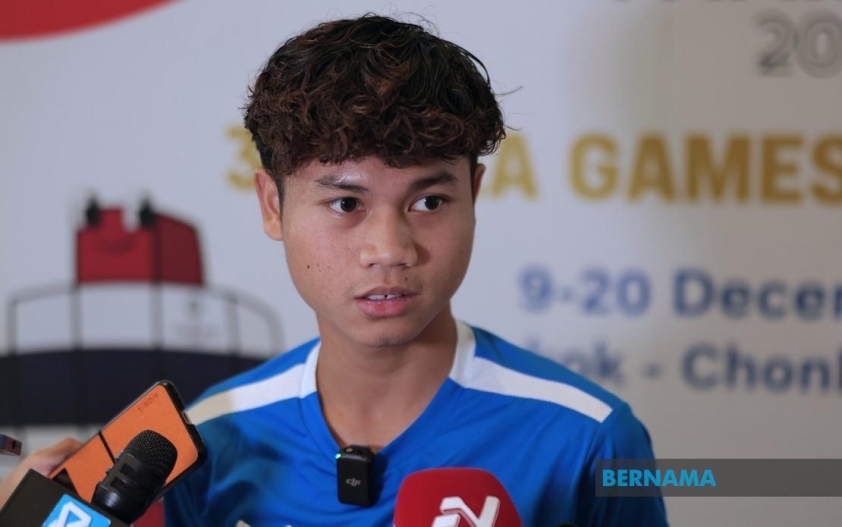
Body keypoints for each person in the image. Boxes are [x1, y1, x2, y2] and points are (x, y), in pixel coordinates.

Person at [1, 14, 668, 526]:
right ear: (273, 205)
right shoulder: (206, 442)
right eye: (346, 203)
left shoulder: (590, 438)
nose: (390, 249)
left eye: (430, 201)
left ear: (474, 195)